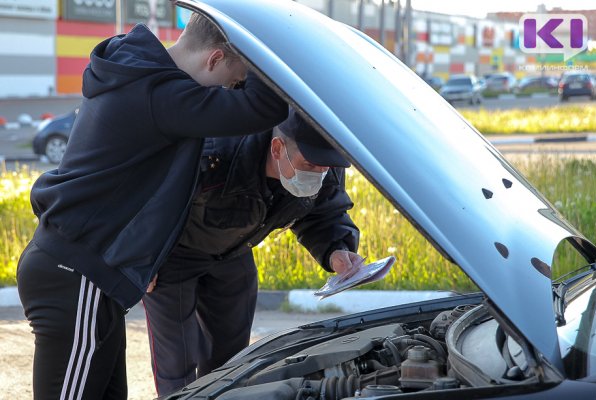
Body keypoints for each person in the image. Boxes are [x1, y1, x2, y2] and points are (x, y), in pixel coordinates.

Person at [16, 12, 288, 400]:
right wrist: (269, 43)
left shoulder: (144, 78)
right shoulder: (160, 93)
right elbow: (265, 109)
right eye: (233, 82)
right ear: (213, 60)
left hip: (87, 277)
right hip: (76, 275)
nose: (231, 91)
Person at [143, 108, 362, 396]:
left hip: (235, 251)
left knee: (232, 362)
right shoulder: (215, 153)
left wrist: (337, 250)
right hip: (174, 251)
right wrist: (142, 256)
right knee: (178, 363)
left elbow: (324, 213)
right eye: (309, 163)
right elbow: (149, 192)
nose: (318, 172)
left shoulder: (323, 164)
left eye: (324, 167)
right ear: (277, 148)